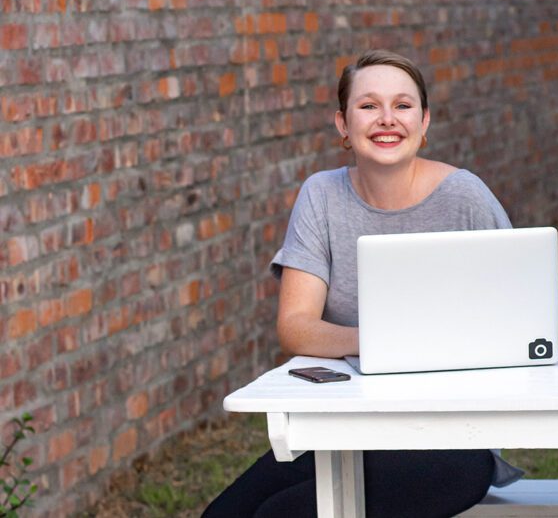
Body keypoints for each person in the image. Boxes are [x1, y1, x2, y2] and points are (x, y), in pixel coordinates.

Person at [203, 50, 521, 518]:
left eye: (403, 105)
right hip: (343, 433)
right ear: (343, 125)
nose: (387, 119)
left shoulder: (465, 197)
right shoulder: (321, 195)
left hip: (450, 442)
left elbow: (519, 320)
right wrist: (386, 343)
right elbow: (295, 326)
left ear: (425, 120)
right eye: (369, 106)